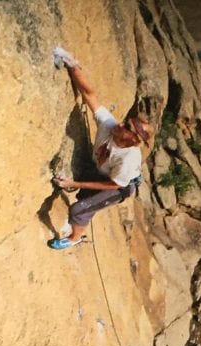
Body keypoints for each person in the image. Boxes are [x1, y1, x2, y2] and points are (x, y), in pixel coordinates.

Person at [49, 47, 155, 250]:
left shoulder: (129, 157)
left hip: (119, 187)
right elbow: (90, 95)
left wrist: (74, 182)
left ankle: (74, 239)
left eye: (126, 127)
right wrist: (72, 64)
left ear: (133, 139)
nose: (120, 124)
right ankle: (80, 222)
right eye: (126, 121)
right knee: (84, 199)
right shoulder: (110, 126)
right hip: (104, 172)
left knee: (79, 208)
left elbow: (113, 185)